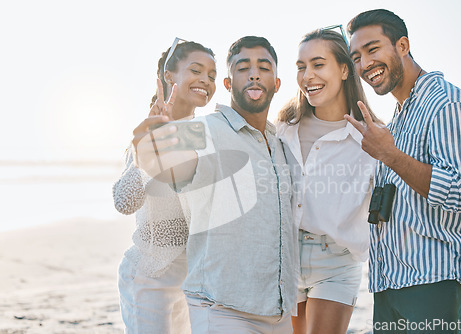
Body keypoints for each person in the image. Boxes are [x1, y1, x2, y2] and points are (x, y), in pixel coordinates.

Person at [133, 35, 298, 334]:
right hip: (223, 312)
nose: (254, 73)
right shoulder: (204, 130)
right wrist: (154, 140)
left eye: (264, 67)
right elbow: (160, 157)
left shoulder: (281, 145)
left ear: (276, 83)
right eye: (242, 67)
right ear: (227, 83)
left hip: (279, 313)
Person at [346, 9, 461, 333]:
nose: (365, 64)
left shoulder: (445, 104)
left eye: (373, 49)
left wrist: (390, 155)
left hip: (434, 283)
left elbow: (460, 191)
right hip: (390, 283)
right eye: (356, 56)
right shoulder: (398, 119)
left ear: (403, 45)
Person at [276, 28, 380, 334]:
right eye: (301, 66)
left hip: (336, 261)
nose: (308, 75)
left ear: (345, 69)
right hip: (287, 259)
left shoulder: (371, 137)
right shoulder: (284, 128)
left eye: (318, 64)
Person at [112, 40, 216, 334]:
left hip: (192, 279)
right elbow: (124, 202)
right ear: (168, 77)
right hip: (149, 276)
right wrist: (147, 151)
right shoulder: (146, 132)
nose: (205, 80)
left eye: (211, 74)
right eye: (196, 70)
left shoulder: (209, 134)